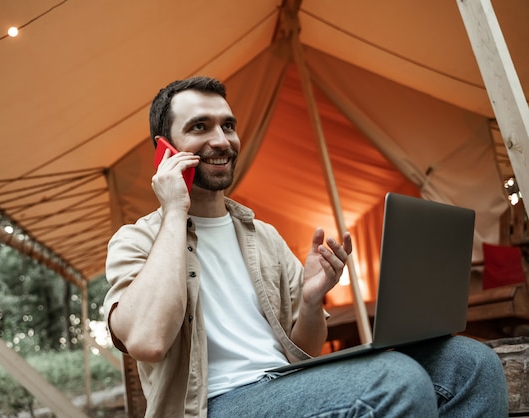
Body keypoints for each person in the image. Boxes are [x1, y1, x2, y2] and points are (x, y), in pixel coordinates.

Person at [103, 76, 508, 417]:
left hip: (286, 382)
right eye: (199, 127)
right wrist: (174, 210)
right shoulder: (136, 241)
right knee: (395, 380)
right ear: (165, 150)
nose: (221, 140)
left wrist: (312, 302)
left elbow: (307, 349)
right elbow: (147, 341)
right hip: (216, 403)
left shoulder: (263, 235)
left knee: (472, 365)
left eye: (228, 125)